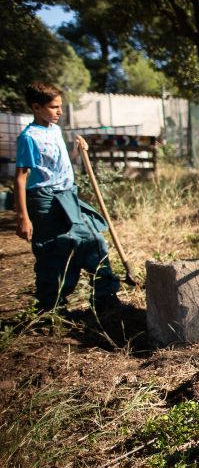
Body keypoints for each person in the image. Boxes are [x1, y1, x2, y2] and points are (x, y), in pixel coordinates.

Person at [14, 82, 121, 312]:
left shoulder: (55, 130)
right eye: (54, 107)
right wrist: (23, 217)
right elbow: (21, 179)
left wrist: (78, 150)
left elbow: (57, 164)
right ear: (36, 107)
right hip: (44, 200)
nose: (60, 112)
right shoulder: (28, 137)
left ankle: (105, 296)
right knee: (54, 252)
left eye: (60, 106)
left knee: (94, 240)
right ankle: (50, 309)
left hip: (68, 196)